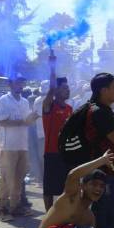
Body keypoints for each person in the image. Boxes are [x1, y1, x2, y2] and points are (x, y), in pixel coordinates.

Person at [72, 73, 114, 228]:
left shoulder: (97, 109)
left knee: (107, 213)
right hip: (104, 171)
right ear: (104, 90)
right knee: (106, 213)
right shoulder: (100, 111)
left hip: (106, 169)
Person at [0, 76, 39, 221]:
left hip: (23, 145)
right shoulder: (4, 100)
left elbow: (28, 122)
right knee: (6, 178)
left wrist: (34, 117)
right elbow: (3, 122)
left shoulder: (25, 101)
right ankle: (2, 208)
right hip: (9, 146)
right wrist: (24, 121)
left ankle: (15, 207)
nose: (20, 85)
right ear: (10, 85)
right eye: (17, 83)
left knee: (19, 178)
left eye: (22, 82)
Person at [42, 52, 73, 211]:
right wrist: (52, 67)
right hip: (51, 152)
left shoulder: (69, 108)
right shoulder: (49, 105)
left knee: (65, 187)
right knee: (49, 188)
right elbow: (52, 88)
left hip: (66, 154)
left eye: (68, 88)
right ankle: (49, 216)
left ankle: (63, 214)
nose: (68, 91)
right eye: (64, 88)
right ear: (57, 91)